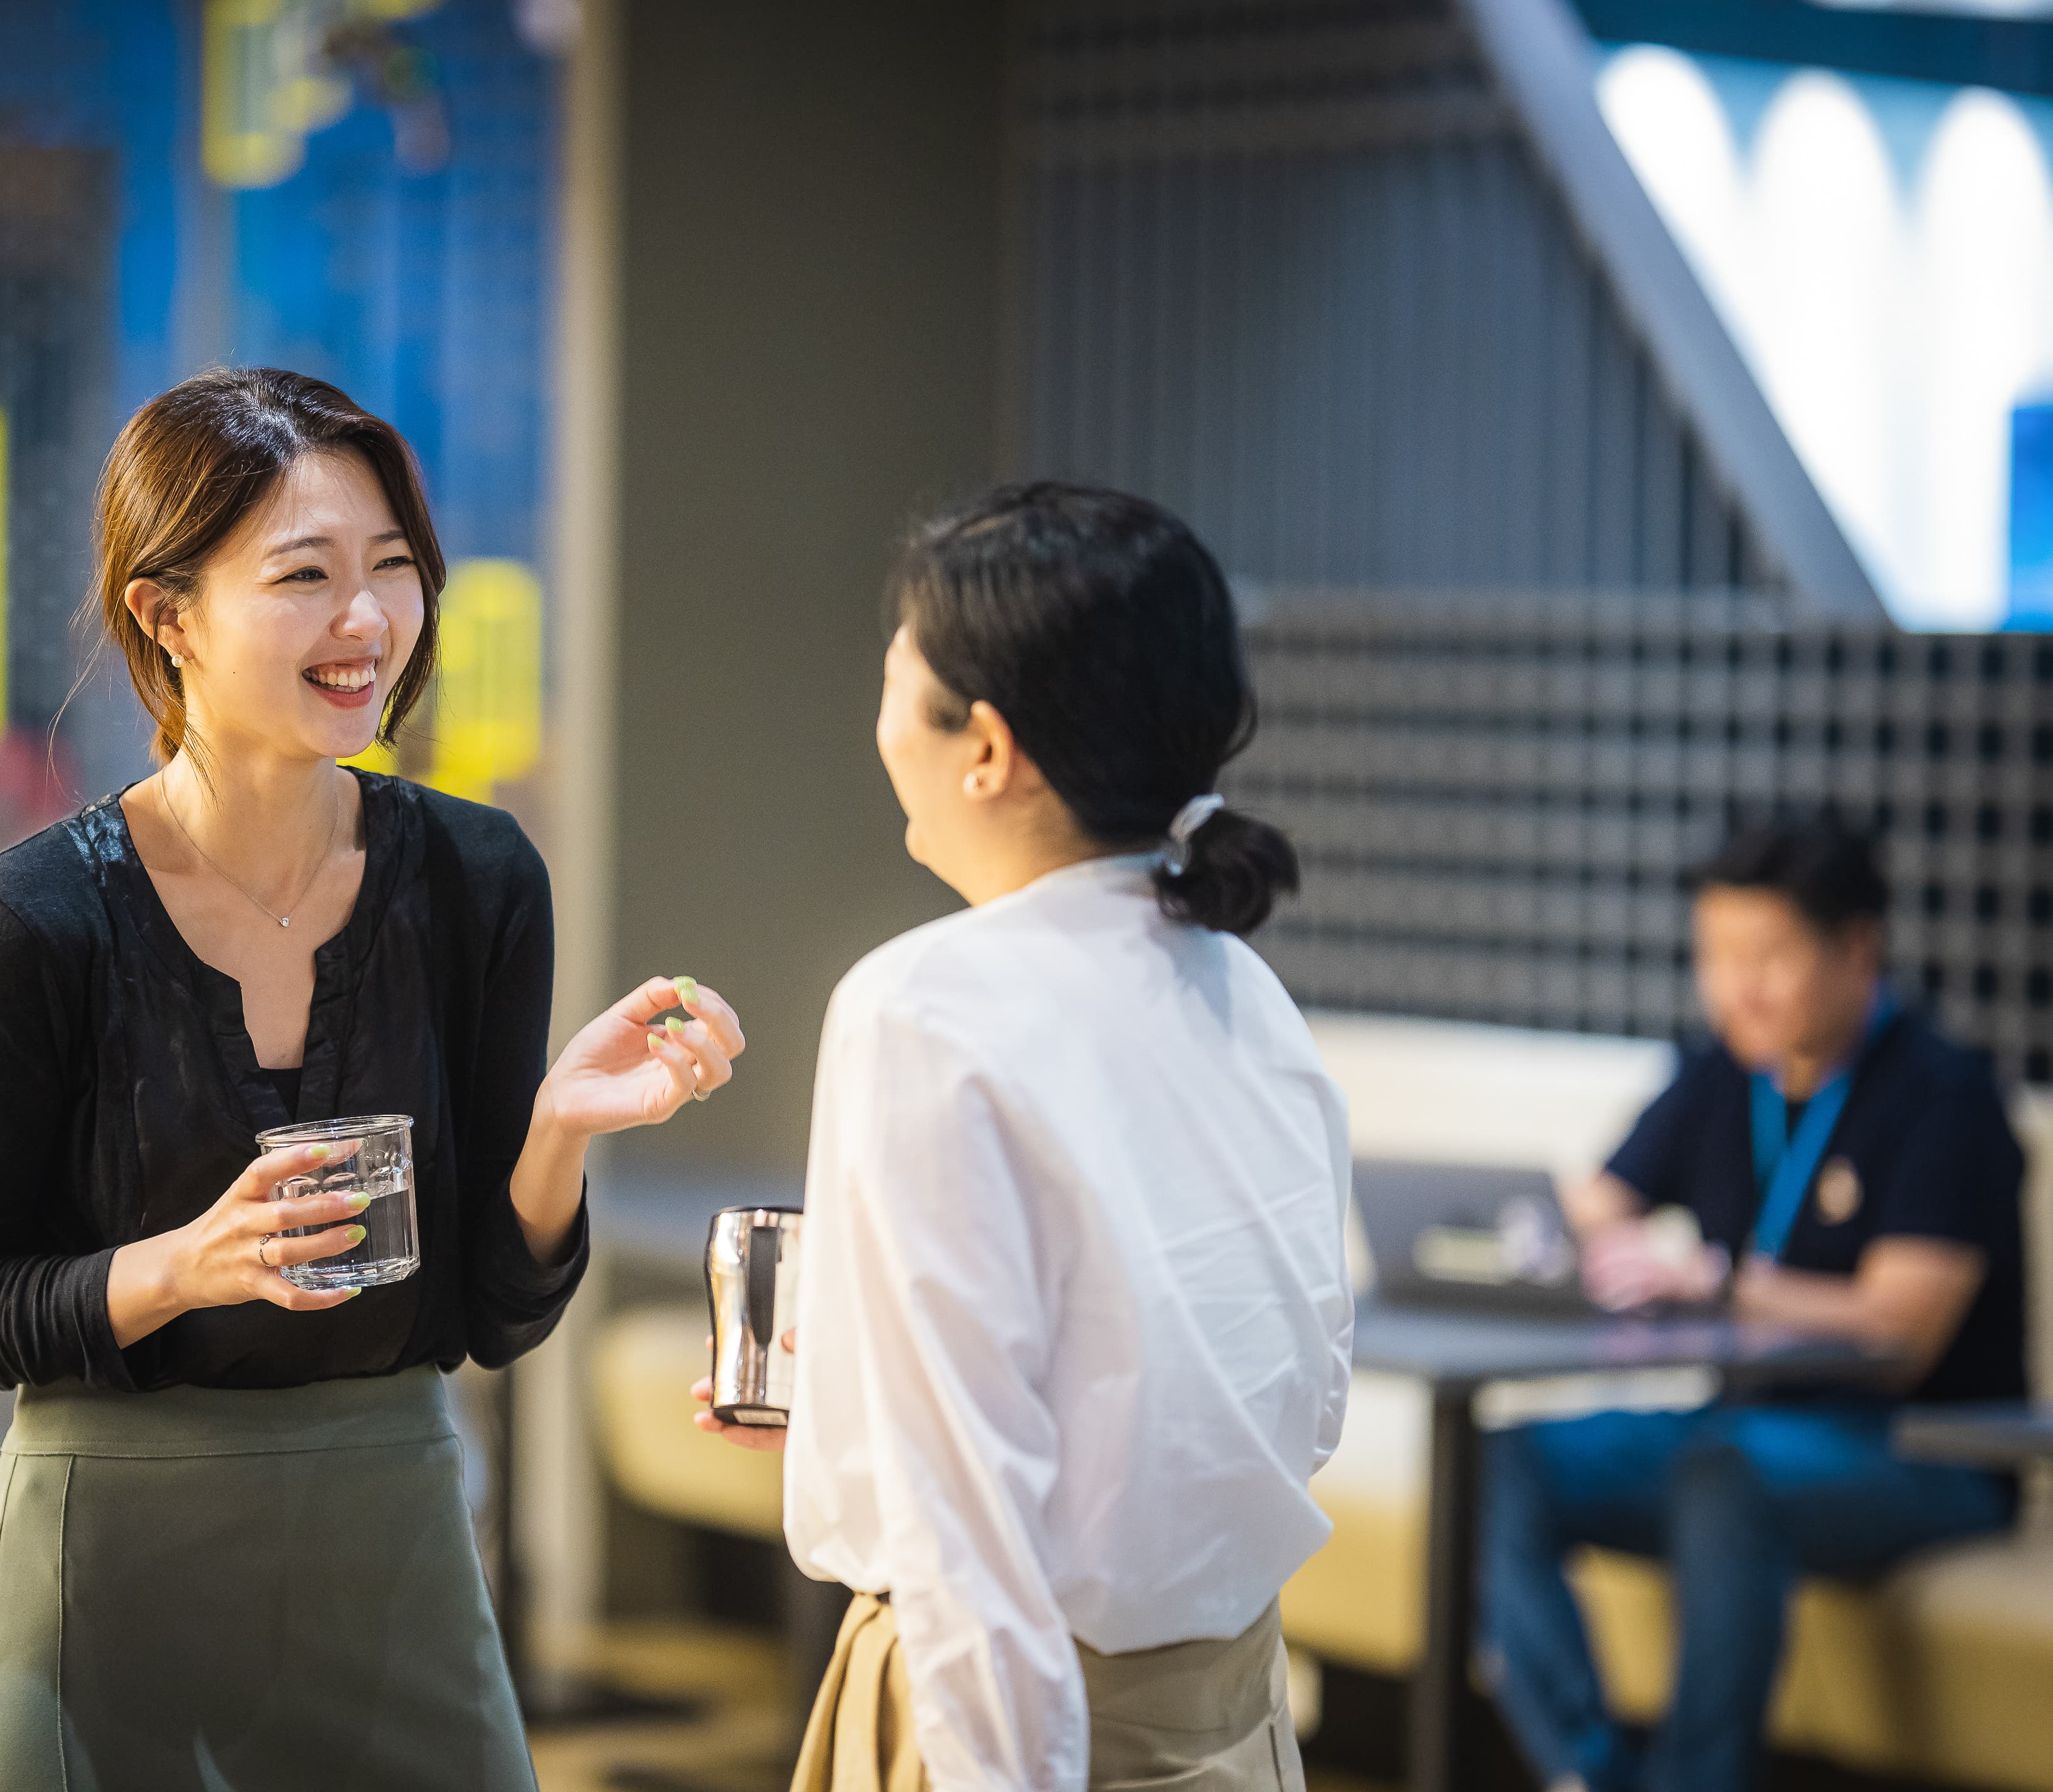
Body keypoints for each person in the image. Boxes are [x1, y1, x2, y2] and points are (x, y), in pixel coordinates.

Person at [0, 367, 746, 1791]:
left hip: (392, 1522)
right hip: (113, 1531)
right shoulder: (40, 920)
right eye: (305, 576)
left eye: (393, 570)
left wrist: (553, 1137)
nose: (367, 622)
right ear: (164, 615)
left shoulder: (478, 882)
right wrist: (185, 1265)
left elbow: (488, 1312)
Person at [698, 483, 1357, 1791]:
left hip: (1012, 1733)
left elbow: (969, 1536)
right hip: (1235, 1713)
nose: (879, 713)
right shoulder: (1243, 989)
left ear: (984, 747)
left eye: (895, 673)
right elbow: (1280, 1392)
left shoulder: (923, 1007)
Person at [1478, 810, 2029, 1792]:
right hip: (1742, 1430)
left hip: (1925, 1451)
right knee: (1499, 1463)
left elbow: (1899, 1331)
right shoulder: (1718, 1074)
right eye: (1716, 955)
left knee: (1721, 1478)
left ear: (1859, 948)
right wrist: (1532, 1243)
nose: (1739, 986)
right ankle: (1588, 1774)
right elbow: (1593, 1210)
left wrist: (1719, 1281)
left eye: (1769, 956)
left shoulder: (1944, 1096)